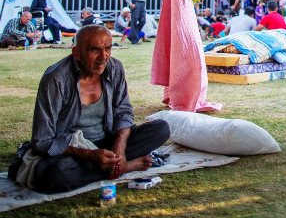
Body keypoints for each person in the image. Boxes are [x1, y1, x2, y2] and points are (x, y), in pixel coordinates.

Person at [8, 25, 170, 193]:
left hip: (107, 142)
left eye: (108, 49)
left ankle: (112, 164)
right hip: (73, 151)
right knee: (56, 173)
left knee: (161, 129)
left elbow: (124, 112)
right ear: (77, 52)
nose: (103, 57)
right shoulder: (56, 79)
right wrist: (89, 155)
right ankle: (124, 167)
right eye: (95, 50)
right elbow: (42, 141)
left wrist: (120, 145)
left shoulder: (115, 68)